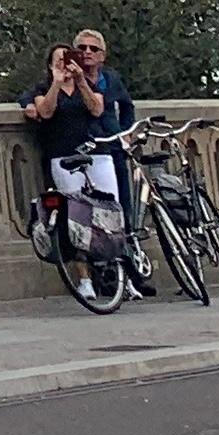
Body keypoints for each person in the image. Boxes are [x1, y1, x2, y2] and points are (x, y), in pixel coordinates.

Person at [19, 40, 118, 273]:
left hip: (96, 153)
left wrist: (80, 80)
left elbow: (96, 108)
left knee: (109, 209)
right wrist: (57, 83)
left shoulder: (89, 84)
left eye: (69, 59)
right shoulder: (42, 89)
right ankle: (84, 278)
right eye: (59, 61)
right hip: (62, 155)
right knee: (75, 217)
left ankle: (115, 269)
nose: (65, 65)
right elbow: (45, 111)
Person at [75, 30, 147, 289]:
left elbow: (127, 105)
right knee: (90, 216)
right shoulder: (72, 79)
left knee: (122, 209)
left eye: (93, 49)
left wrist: (128, 132)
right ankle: (104, 276)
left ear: (103, 55)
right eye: (82, 47)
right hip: (88, 149)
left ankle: (131, 275)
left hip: (114, 147)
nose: (87, 52)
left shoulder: (111, 79)